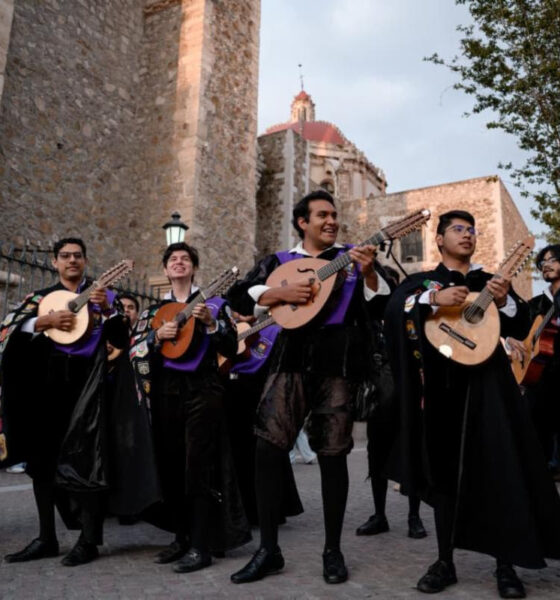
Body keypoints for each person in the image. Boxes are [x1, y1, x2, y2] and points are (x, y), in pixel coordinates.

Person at [384, 210, 560, 598]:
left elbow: (521, 325)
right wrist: (433, 298)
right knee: (443, 474)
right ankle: (444, 561)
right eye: (458, 229)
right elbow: (396, 310)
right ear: (439, 239)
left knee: (500, 468)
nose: (467, 234)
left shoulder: (489, 281)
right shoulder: (423, 283)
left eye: (472, 230)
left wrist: (506, 302)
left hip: (489, 388)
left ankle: (505, 564)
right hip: (442, 388)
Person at [227, 190, 393, 584]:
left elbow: (381, 306)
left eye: (334, 214)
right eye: (322, 215)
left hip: (339, 366)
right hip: (290, 362)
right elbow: (238, 297)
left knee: (334, 455)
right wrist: (278, 293)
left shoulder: (354, 258)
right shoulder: (280, 261)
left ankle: (333, 551)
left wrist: (370, 273)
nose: (331, 221)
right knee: (268, 448)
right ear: (303, 222)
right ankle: (268, 550)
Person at [0, 238, 134, 566]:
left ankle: (88, 540)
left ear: (85, 261)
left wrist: (107, 311)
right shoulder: (40, 298)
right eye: (65, 256)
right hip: (44, 388)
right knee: (41, 462)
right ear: (55, 262)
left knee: (88, 461)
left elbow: (122, 340)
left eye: (77, 255)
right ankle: (46, 537)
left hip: (87, 388)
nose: (72, 260)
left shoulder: (105, 298)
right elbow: (6, 332)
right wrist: (42, 322)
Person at [129, 242, 250, 574]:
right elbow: (134, 351)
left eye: (185, 259)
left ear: (194, 268)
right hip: (166, 392)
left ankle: (201, 545)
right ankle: (181, 537)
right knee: (170, 465)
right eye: (173, 259)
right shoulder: (153, 313)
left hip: (202, 390)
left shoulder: (215, 305)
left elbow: (232, 347)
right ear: (165, 269)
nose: (179, 262)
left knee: (198, 467)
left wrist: (211, 324)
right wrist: (156, 338)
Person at [356, 264, 426, 539]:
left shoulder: (410, 317)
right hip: (379, 393)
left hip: (407, 392)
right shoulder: (368, 318)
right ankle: (379, 515)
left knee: (411, 450)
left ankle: (414, 516)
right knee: (376, 454)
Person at [506, 244, 560, 474]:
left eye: (552, 260)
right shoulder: (534, 304)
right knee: (535, 426)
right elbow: (517, 335)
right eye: (542, 262)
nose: (545, 265)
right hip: (538, 376)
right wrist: (512, 342)